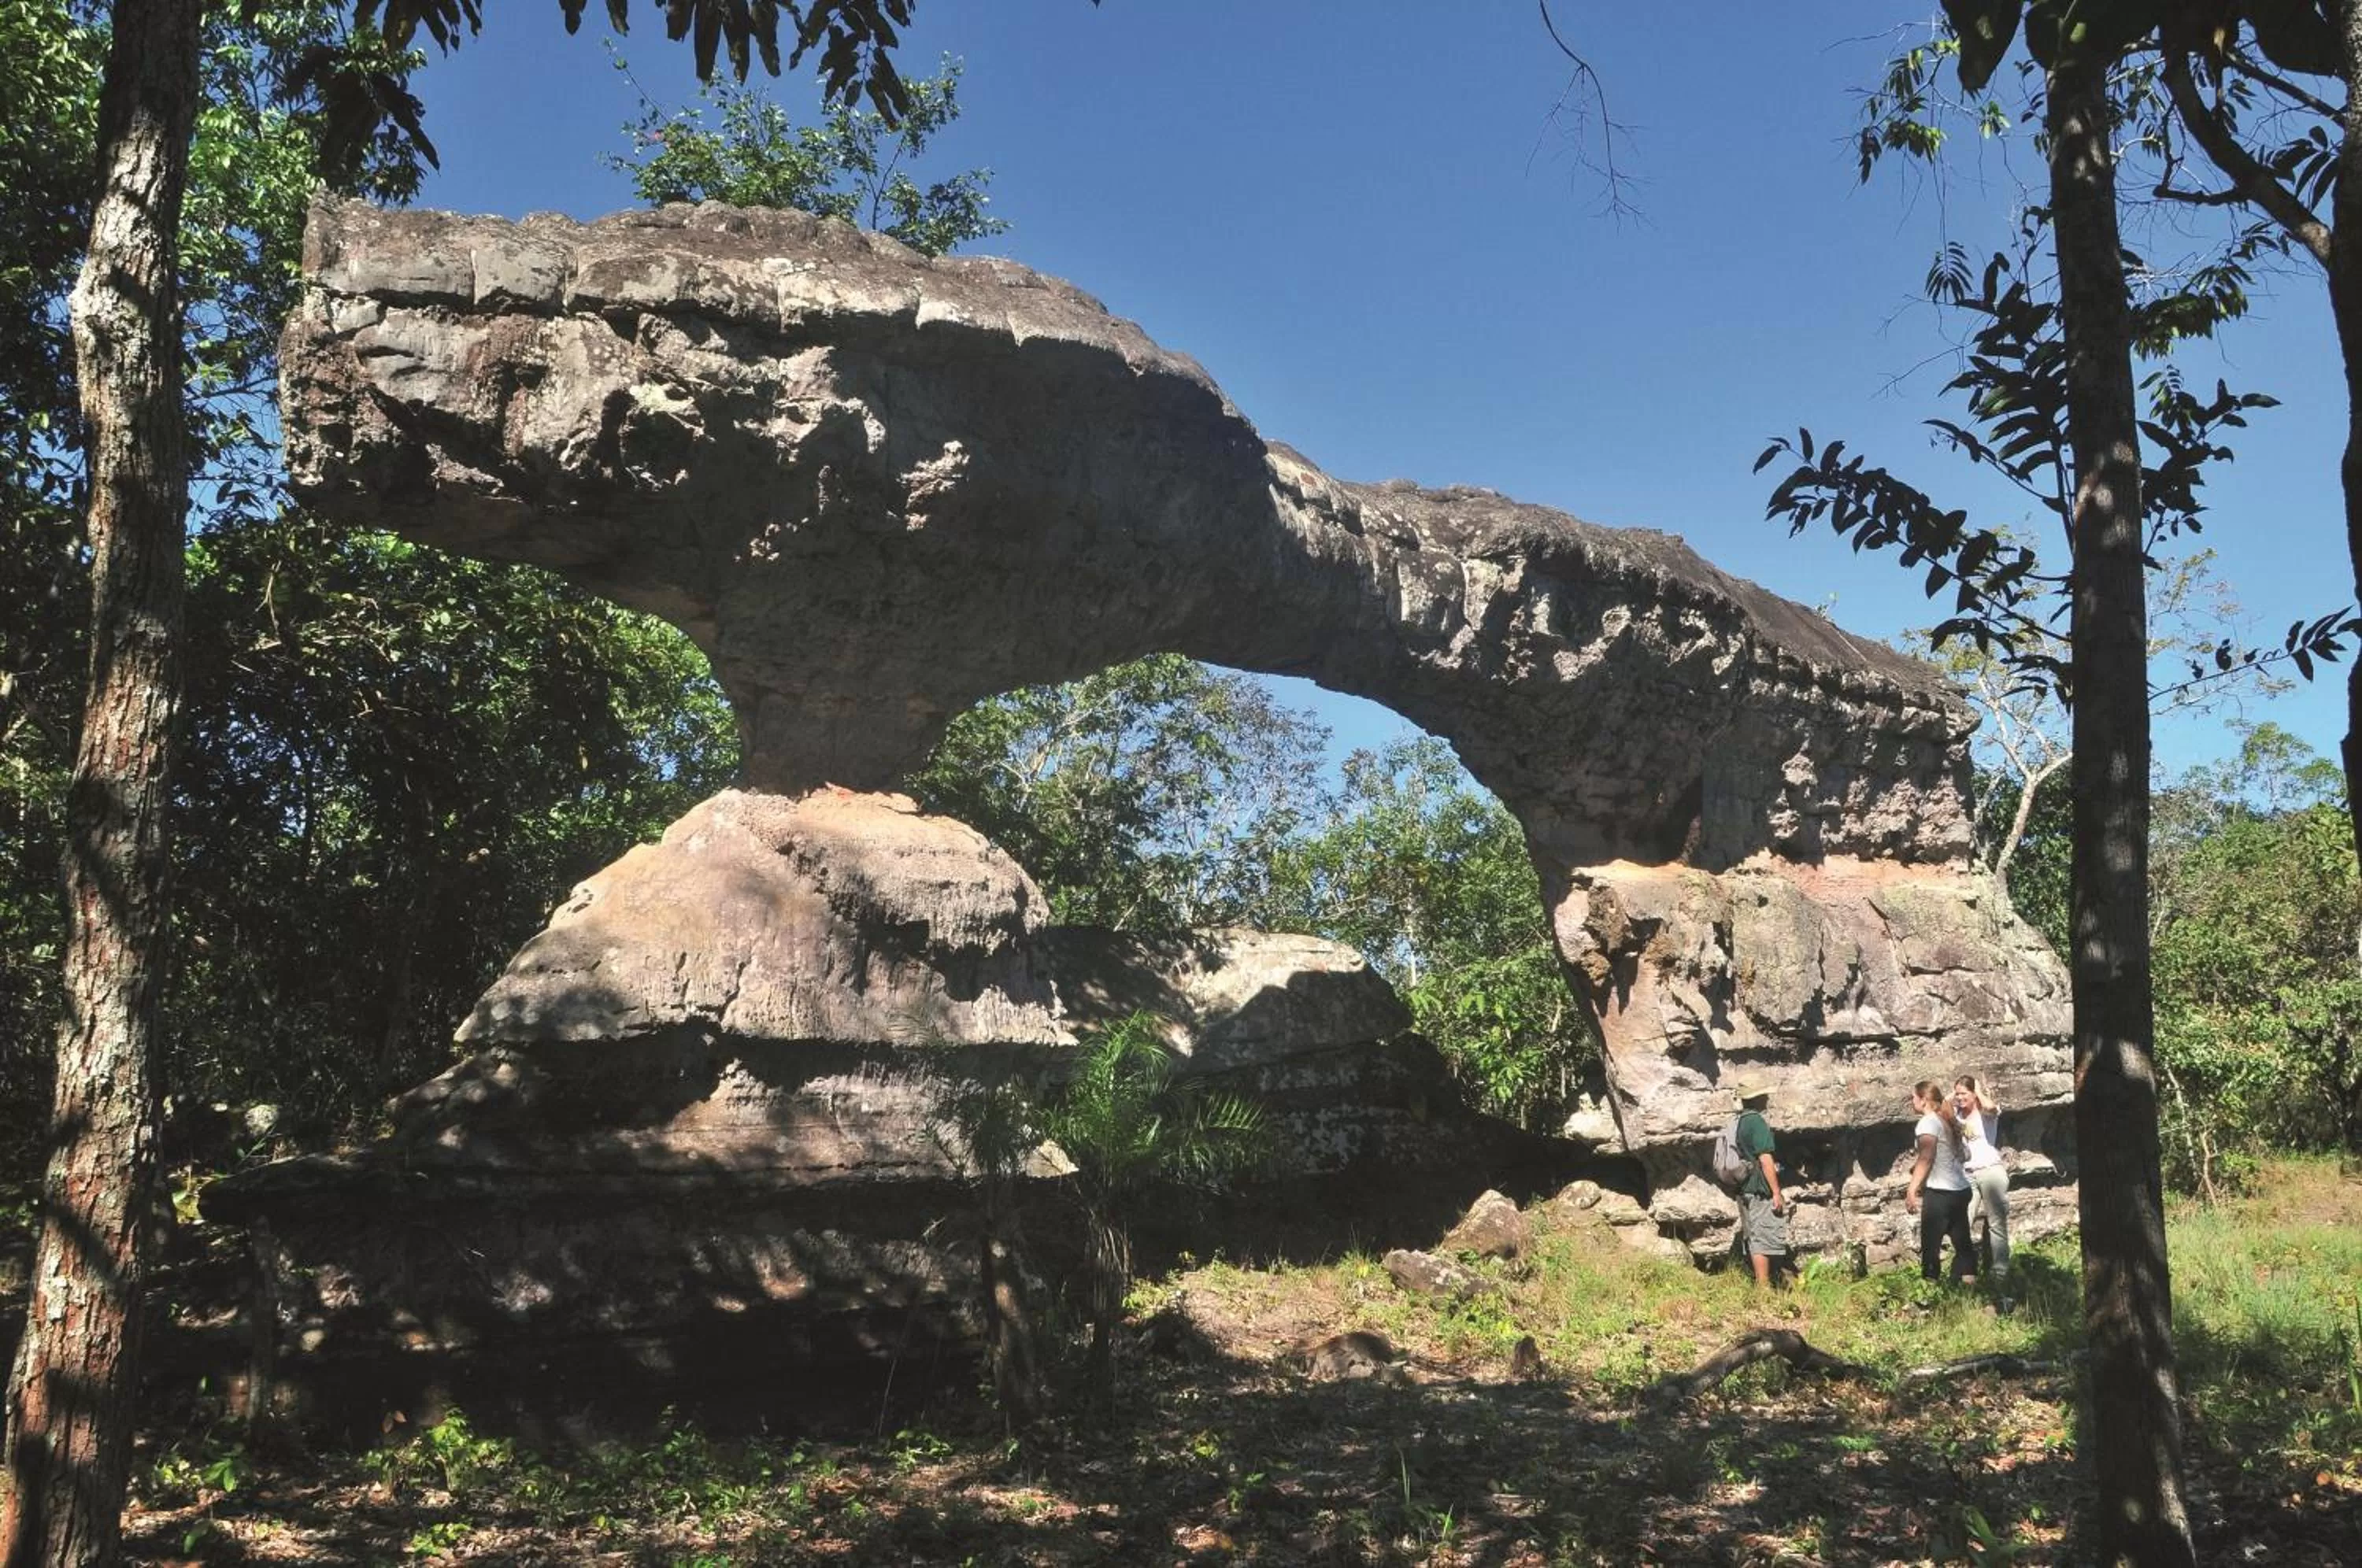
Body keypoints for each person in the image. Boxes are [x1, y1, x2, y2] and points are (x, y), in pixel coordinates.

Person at [1905, 1079, 1975, 1285]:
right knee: (1963, 1243)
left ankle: (1929, 1289)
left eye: (1914, 1097)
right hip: (1960, 1189)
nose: (1912, 1101)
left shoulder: (1928, 1123)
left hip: (1940, 1192)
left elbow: (1926, 1157)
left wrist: (1912, 1189)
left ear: (1924, 1100)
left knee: (1930, 1245)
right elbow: (1962, 1155)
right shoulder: (1945, 1120)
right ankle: (1970, 1289)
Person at [1954, 1074, 2012, 1308]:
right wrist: (1955, 1095)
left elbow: (1989, 1106)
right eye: (1957, 1094)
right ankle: (1965, 1274)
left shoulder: (1986, 1115)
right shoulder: (1956, 1116)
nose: (1959, 1098)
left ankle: (2000, 1276)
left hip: (1990, 1171)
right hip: (1967, 1173)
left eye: (1963, 1094)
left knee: (1997, 1225)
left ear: (1974, 1094)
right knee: (1961, 1224)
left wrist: (1977, 1090)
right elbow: (1941, 1108)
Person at [1731, 1081, 1788, 1288]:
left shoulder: (1737, 1121)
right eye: (1764, 1095)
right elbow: (1765, 1159)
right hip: (1758, 1188)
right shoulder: (1756, 1122)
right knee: (1762, 1238)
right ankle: (1763, 1287)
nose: (1767, 1098)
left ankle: (1761, 1285)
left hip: (1744, 1187)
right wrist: (1776, 1192)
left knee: (1753, 1235)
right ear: (1757, 1098)